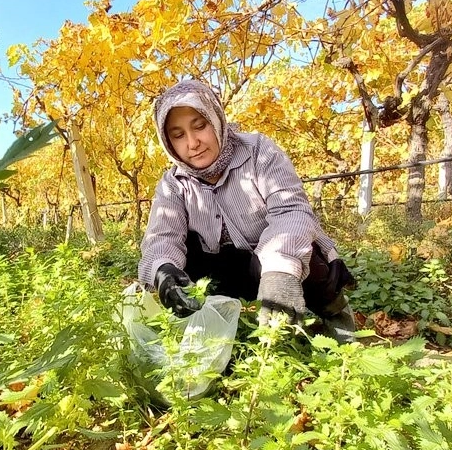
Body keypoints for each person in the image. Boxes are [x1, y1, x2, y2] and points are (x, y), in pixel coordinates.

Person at [137, 79, 358, 341]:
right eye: (178, 135)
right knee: (182, 259)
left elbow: (291, 212)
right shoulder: (173, 184)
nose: (193, 142)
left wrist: (280, 271)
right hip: (224, 270)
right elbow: (162, 236)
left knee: (303, 246)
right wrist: (164, 270)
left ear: (216, 120)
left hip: (267, 261)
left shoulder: (259, 153)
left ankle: (335, 315)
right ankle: (223, 328)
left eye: (200, 126)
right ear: (169, 143)